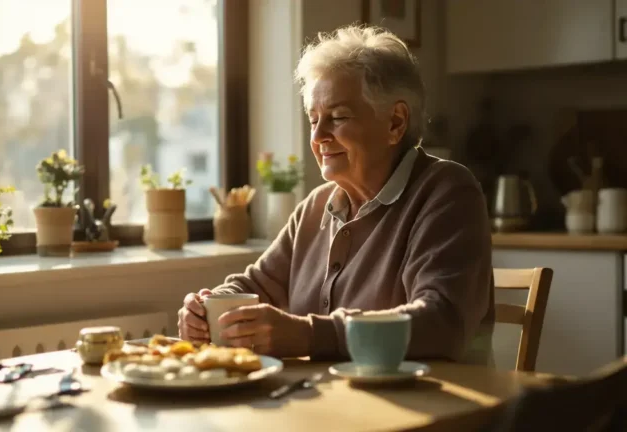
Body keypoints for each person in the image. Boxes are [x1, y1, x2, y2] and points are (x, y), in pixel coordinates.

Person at [178, 25, 494, 363]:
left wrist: (309, 335)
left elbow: (440, 323)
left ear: (395, 123)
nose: (318, 136)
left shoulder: (447, 192)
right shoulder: (315, 206)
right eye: (313, 119)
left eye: (338, 117)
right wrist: (207, 308)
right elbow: (256, 284)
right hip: (331, 405)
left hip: (438, 405)